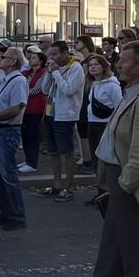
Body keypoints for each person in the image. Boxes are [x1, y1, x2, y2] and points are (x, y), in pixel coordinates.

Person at [69, 41, 139, 277]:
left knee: (134, 240)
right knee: (114, 235)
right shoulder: (134, 92)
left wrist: (125, 184)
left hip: (130, 179)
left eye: (124, 61)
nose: (118, 64)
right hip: (118, 173)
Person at [0, 48, 29, 231]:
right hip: (0, 130)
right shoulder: (7, 79)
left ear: (13, 61)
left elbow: (16, 109)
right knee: (1, 176)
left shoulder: (18, 81)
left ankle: (17, 216)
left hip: (7, 131)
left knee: (8, 176)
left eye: (3, 57)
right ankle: (6, 213)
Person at [40, 41, 85, 202]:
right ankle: (57, 184)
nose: (53, 57)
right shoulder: (54, 69)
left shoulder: (76, 68)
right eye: (51, 54)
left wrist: (56, 73)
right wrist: (48, 72)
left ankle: (69, 186)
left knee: (67, 151)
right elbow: (44, 90)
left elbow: (68, 90)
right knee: (54, 151)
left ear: (66, 53)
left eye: (56, 54)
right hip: (51, 112)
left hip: (65, 115)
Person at [84, 53, 122, 201]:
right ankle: (101, 192)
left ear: (104, 67)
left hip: (105, 125)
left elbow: (118, 106)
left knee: (104, 160)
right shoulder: (93, 84)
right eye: (91, 65)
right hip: (92, 123)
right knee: (96, 159)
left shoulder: (112, 85)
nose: (93, 67)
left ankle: (106, 193)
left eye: (96, 64)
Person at [21, 50, 48, 173]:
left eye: (34, 58)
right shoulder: (26, 73)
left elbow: (38, 89)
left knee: (32, 135)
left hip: (35, 107)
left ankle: (32, 162)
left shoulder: (43, 73)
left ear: (40, 60)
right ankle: (27, 159)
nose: (31, 59)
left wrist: (22, 94)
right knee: (25, 135)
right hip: (24, 107)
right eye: (30, 57)